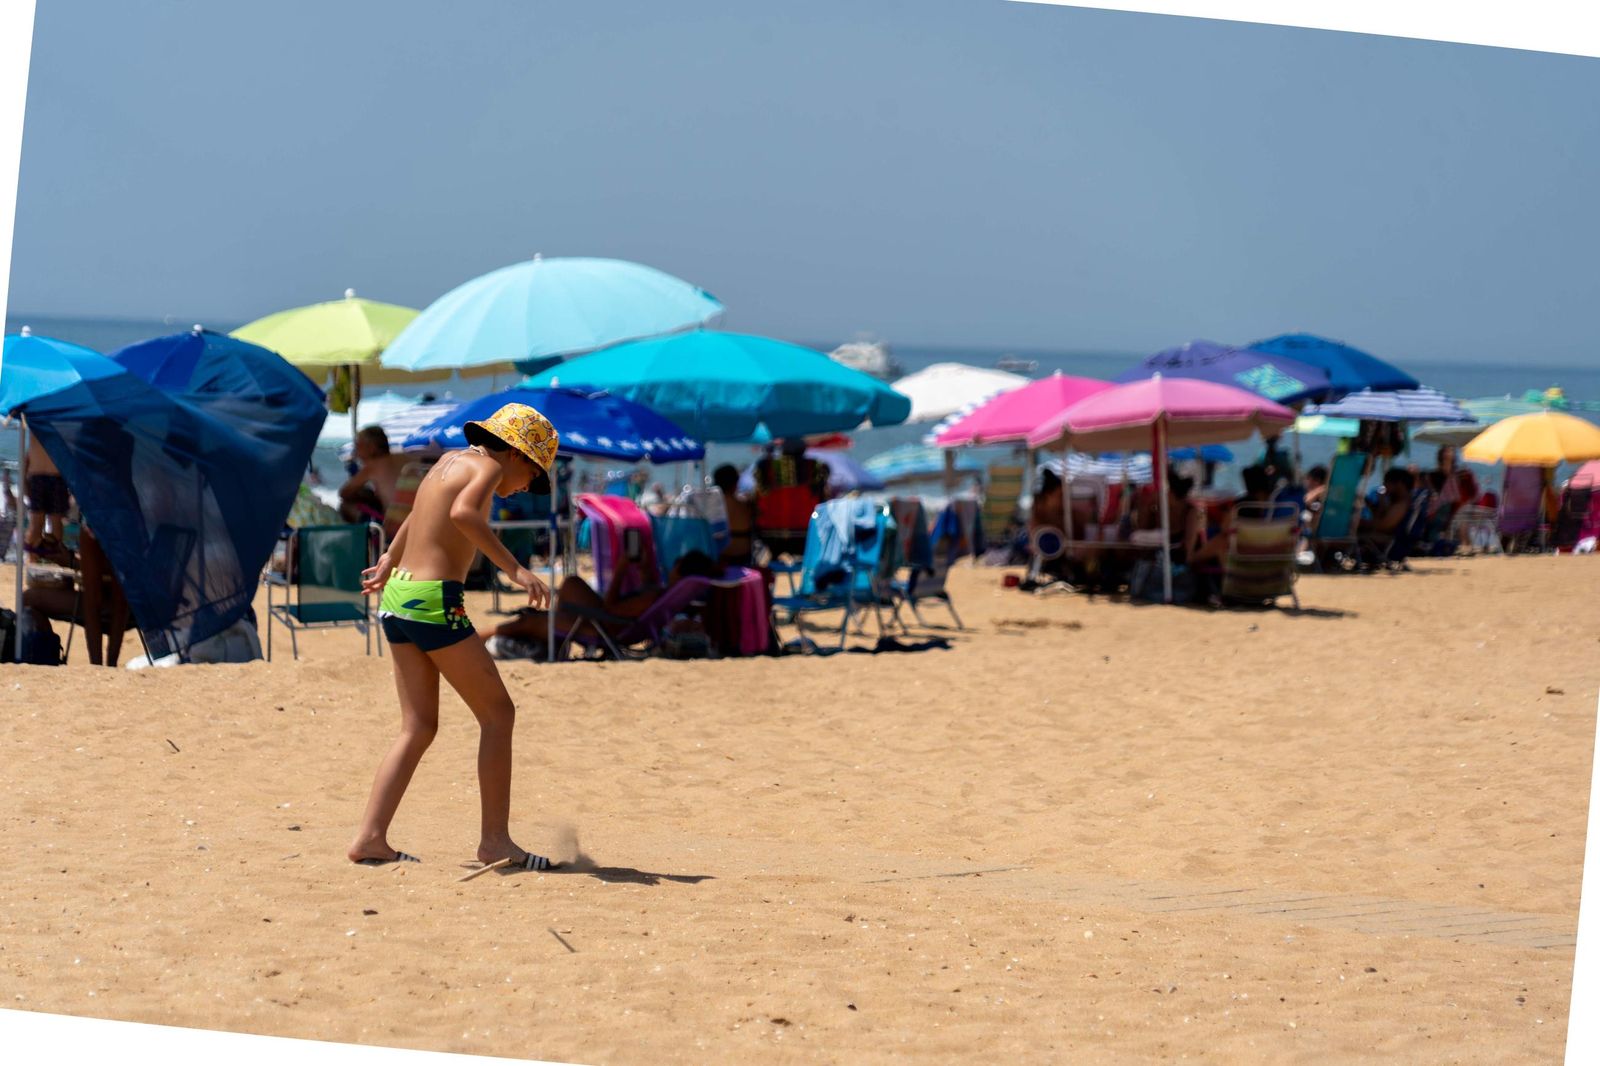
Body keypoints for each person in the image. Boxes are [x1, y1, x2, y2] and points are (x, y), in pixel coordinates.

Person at [349, 403, 558, 871]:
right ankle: (495, 842)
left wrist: (388, 560)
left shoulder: (444, 462)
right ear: (518, 455)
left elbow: (415, 514)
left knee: (418, 726)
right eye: (534, 476)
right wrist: (518, 569)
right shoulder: (486, 466)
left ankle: (370, 837)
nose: (527, 488)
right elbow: (465, 513)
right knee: (499, 714)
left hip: (398, 596)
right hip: (432, 601)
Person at [482, 550, 723, 649]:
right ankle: (553, 629)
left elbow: (610, 608)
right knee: (535, 616)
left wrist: (619, 572)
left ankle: (473, 640)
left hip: (601, 628)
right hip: (604, 624)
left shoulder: (655, 595)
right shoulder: (662, 594)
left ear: (680, 570)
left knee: (520, 624)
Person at [338, 426, 406, 525]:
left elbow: (344, 492)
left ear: (371, 447)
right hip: (416, 518)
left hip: (396, 524)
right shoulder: (403, 457)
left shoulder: (374, 466)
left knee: (347, 506)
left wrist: (365, 496)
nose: (355, 450)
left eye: (358, 445)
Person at [23, 427, 72, 564]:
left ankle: (50, 558)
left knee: (51, 522)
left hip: (49, 476)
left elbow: (27, 457)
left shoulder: (37, 420)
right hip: (42, 476)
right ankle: (33, 558)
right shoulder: (40, 420)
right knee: (38, 522)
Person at [712, 464, 755, 565]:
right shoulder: (745, 504)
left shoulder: (713, 506)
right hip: (744, 556)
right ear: (736, 483)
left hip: (721, 558)